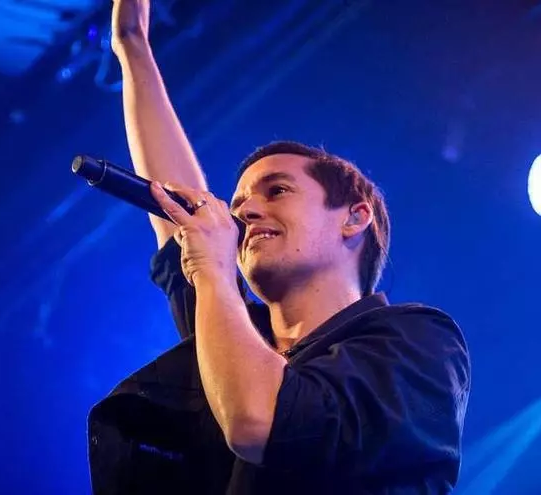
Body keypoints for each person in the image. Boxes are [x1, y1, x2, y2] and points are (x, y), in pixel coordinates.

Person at [86, 1, 471, 493]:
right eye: (239, 203)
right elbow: (175, 204)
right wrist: (132, 46)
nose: (244, 211)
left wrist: (212, 271)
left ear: (354, 217)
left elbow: (260, 421)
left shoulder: (417, 341)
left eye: (277, 191)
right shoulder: (235, 335)